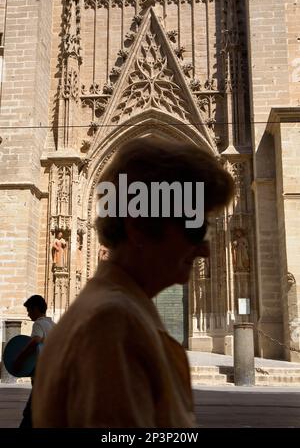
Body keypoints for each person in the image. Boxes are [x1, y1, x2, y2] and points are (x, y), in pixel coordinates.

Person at [32, 136, 234, 428]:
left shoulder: (118, 310)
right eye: (194, 228)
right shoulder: (112, 325)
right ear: (139, 227)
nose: (205, 249)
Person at [17, 295, 55, 428]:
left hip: (41, 374)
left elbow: (35, 340)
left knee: (30, 412)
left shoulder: (39, 323)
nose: (28, 314)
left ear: (36, 309)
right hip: (52, 372)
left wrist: (20, 358)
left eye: (29, 310)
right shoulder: (52, 324)